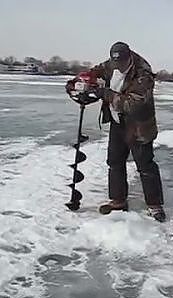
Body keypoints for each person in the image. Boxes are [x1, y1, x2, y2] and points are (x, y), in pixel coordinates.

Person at [65, 42, 166, 222]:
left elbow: (132, 105)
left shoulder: (143, 73)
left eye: (121, 63)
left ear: (129, 57)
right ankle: (118, 200)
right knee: (115, 162)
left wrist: (104, 93)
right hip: (117, 122)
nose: (117, 67)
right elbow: (93, 72)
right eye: (115, 63)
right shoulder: (112, 64)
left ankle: (154, 205)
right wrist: (77, 83)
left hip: (139, 126)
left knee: (145, 165)